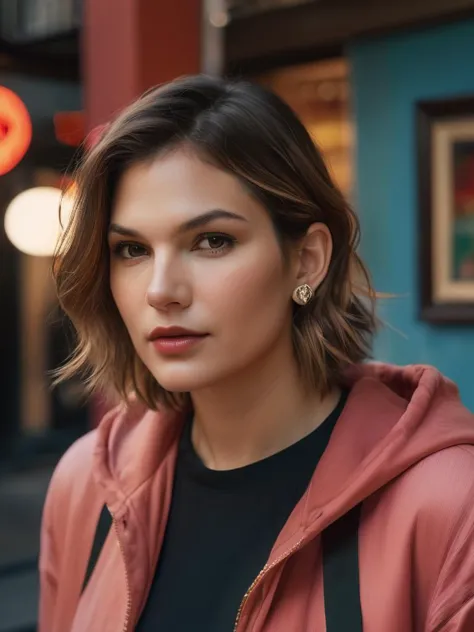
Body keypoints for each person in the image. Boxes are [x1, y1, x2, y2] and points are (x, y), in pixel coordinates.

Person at [39, 75, 474, 632]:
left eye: (212, 241)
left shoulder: (447, 505)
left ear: (307, 260)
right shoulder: (84, 486)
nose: (160, 289)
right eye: (132, 250)